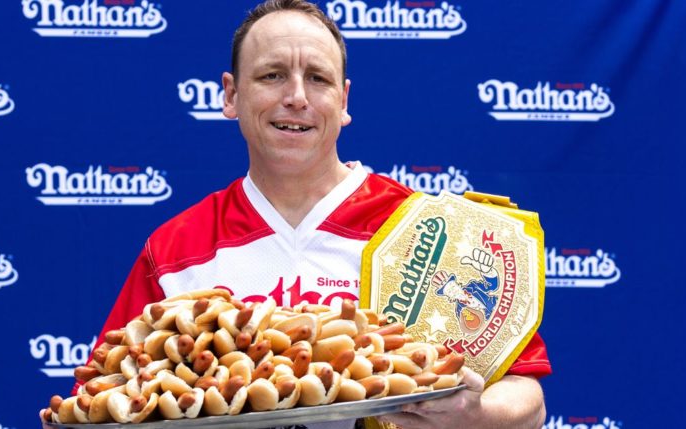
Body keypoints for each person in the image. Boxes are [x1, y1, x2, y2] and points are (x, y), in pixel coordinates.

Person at [84, 1, 551, 428]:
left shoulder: (425, 229)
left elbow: (528, 398)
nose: (297, 97)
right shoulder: (175, 249)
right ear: (231, 95)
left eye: (318, 78)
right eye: (271, 76)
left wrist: (475, 413)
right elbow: (100, 390)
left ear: (343, 101)